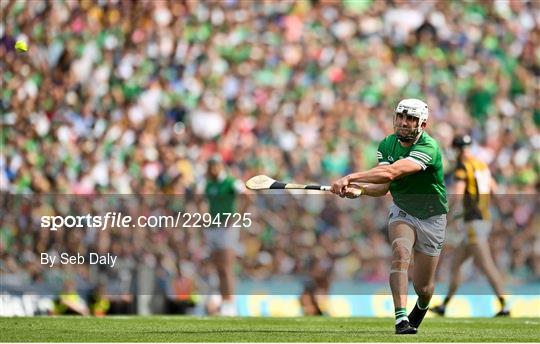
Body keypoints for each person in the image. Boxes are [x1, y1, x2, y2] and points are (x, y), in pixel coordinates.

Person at [331, 99, 448, 334]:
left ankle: (421, 307)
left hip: (433, 217)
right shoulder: (386, 145)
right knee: (401, 252)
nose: (404, 122)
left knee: (423, 287)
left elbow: (392, 171)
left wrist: (351, 178)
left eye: (411, 119)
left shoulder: (429, 147)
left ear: (422, 124)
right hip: (403, 209)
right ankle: (401, 319)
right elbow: (384, 186)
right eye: (401, 117)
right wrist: (361, 190)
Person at [430, 135, 510, 317]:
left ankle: (505, 304)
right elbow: (494, 189)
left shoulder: (462, 166)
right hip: (482, 219)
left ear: (456, 149)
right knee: (456, 264)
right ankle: (444, 305)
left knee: (486, 264)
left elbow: (457, 194)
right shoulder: (481, 165)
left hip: (474, 222)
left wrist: (446, 216)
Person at [201, 154, 245, 316]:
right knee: (218, 266)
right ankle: (223, 299)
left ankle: (229, 303)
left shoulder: (231, 182)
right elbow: (204, 203)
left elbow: (247, 196)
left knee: (226, 266)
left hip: (226, 228)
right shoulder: (208, 184)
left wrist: (236, 217)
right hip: (212, 226)